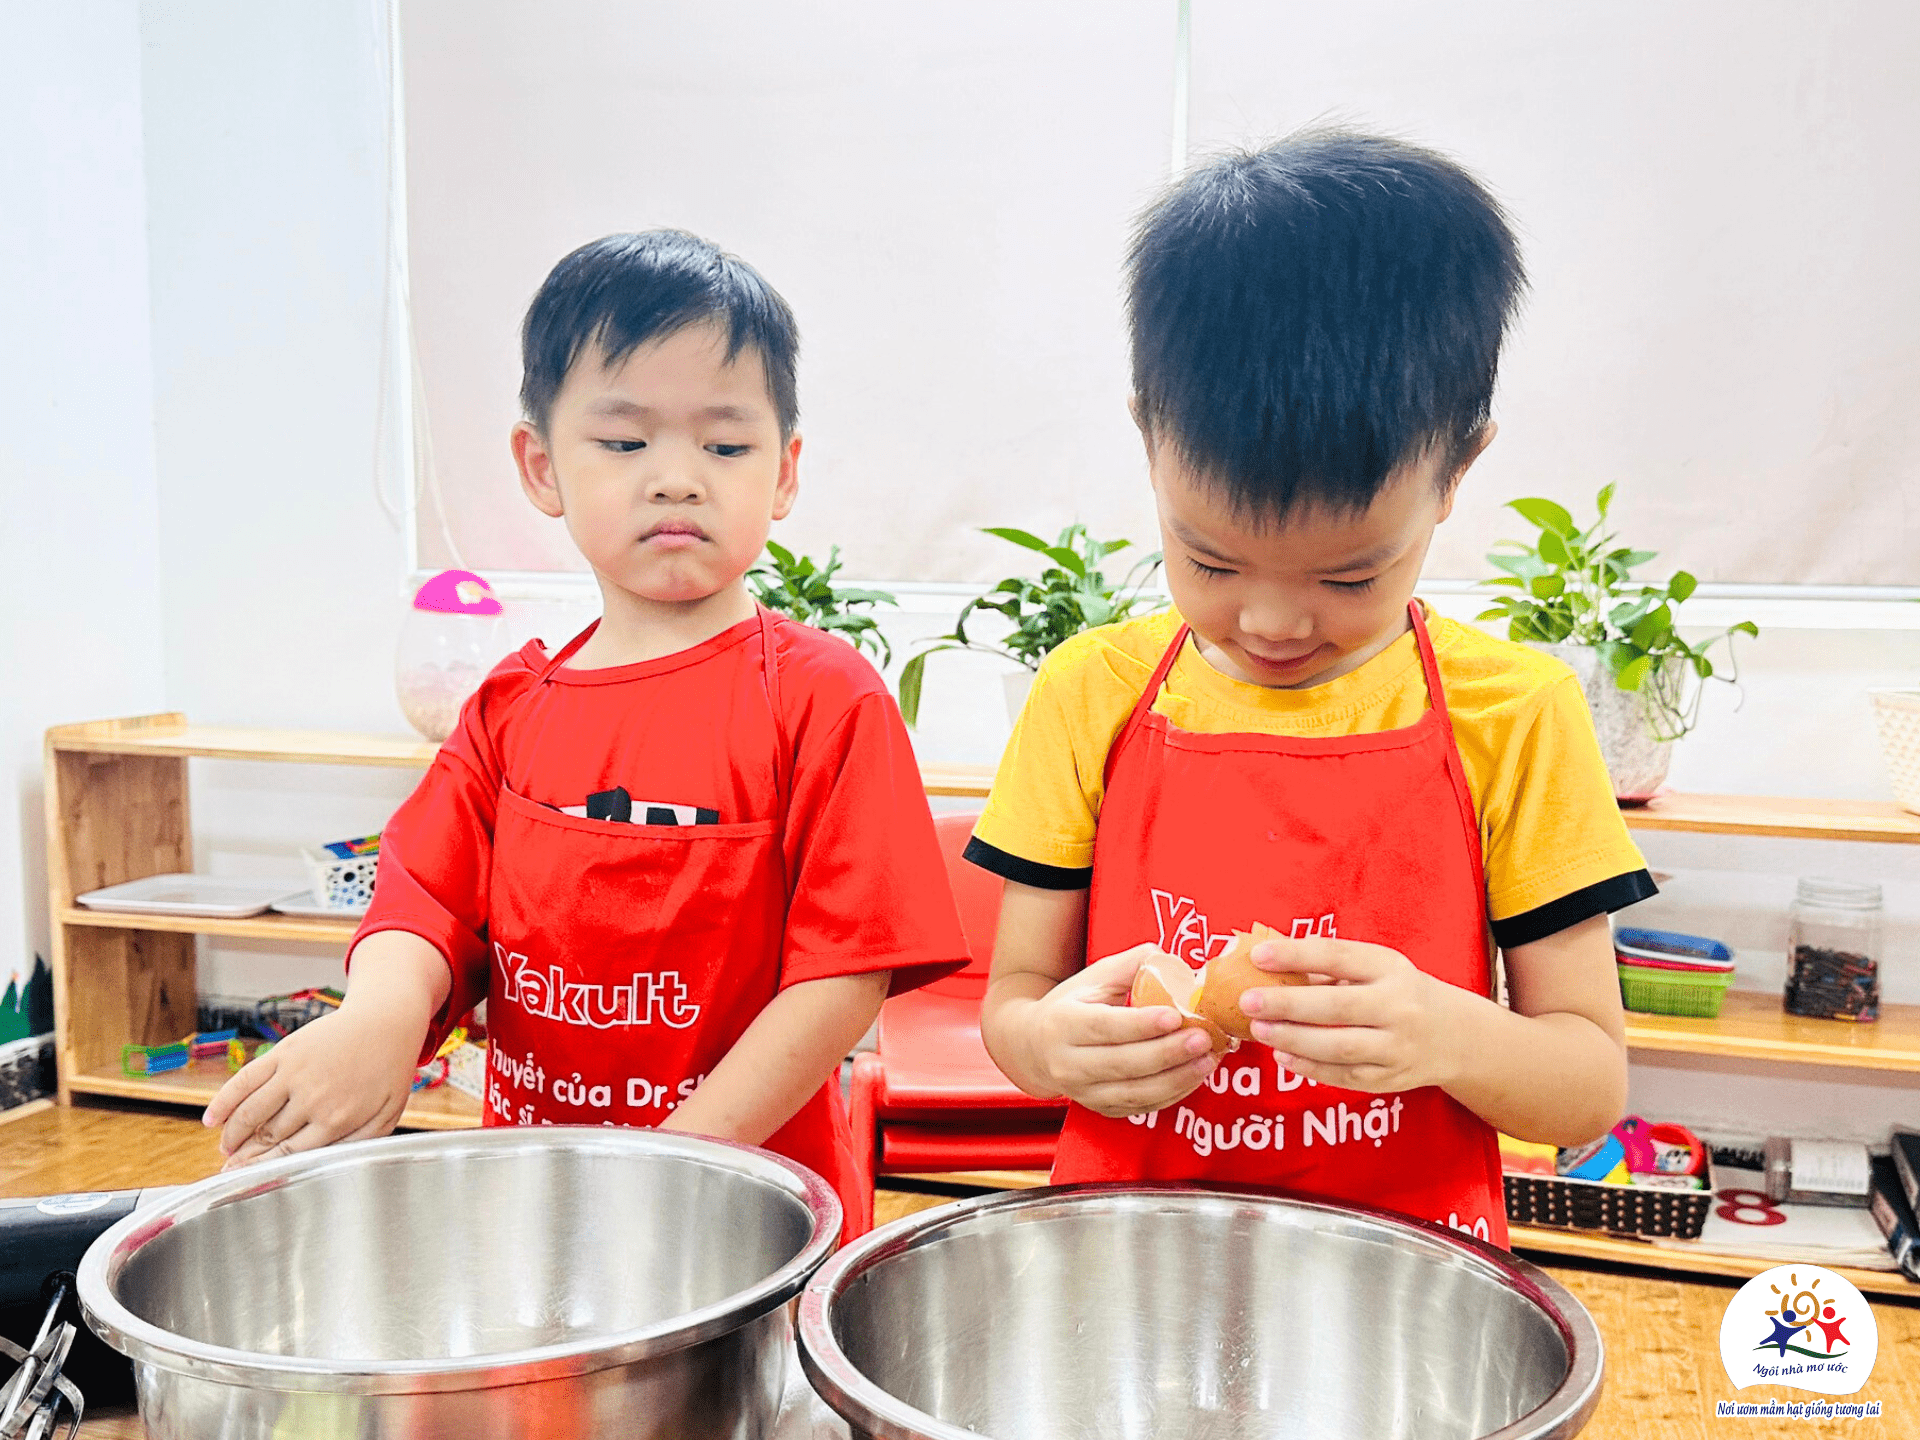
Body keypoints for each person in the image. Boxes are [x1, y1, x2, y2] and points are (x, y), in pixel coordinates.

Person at [973, 131, 1650, 1245]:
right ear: (1149, 437)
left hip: (1406, 1282)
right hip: (1131, 1259)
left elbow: (1586, 1087)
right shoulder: (1091, 693)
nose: (1273, 621)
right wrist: (1051, 1047)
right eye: (1211, 561)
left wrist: (1449, 1035)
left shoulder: (1514, 712)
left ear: (1457, 472)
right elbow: (1013, 1000)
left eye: (1349, 574)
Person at [206, 231, 968, 1217]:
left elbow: (844, 979)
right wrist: (382, 1020)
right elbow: (425, 900)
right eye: (625, 441)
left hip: (747, 1215)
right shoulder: (510, 711)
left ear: (783, 473)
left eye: (726, 445)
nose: (677, 477)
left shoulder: (827, 699)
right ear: (541, 466)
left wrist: (678, 1165)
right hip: (536, 1208)